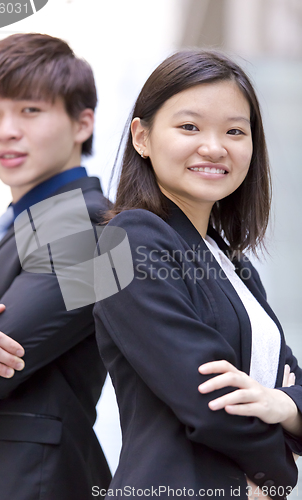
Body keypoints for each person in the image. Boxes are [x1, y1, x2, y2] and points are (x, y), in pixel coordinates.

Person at [93, 50, 302, 499]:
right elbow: (210, 400)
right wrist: (281, 470)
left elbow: (292, 382)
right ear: (142, 137)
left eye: (235, 131)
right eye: (189, 127)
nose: (214, 146)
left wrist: (283, 402)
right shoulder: (124, 240)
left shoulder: (235, 264)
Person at [0, 33, 111, 500]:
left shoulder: (93, 227)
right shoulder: (9, 230)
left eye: (30, 110)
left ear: (81, 123)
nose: (5, 130)